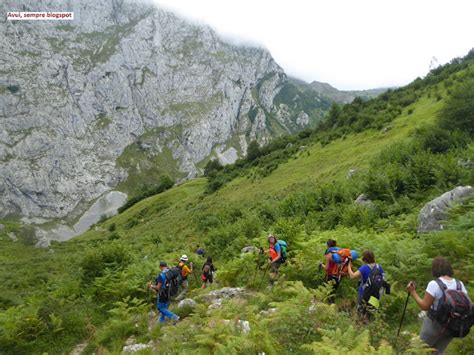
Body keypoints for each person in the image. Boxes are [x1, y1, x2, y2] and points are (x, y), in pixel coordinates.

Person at [407, 256, 469, 353]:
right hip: (452, 326)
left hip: (434, 324)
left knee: (420, 350)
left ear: (434, 269)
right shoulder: (459, 284)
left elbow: (425, 306)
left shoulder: (434, 284)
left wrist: (413, 292)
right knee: (438, 352)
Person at [348, 250, 388, 318]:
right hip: (376, 294)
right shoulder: (379, 267)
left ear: (364, 259)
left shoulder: (364, 267)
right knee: (371, 312)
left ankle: (361, 325)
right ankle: (369, 325)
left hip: (364, 293)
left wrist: (349, 266)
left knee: (361, 313)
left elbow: (352, 276)